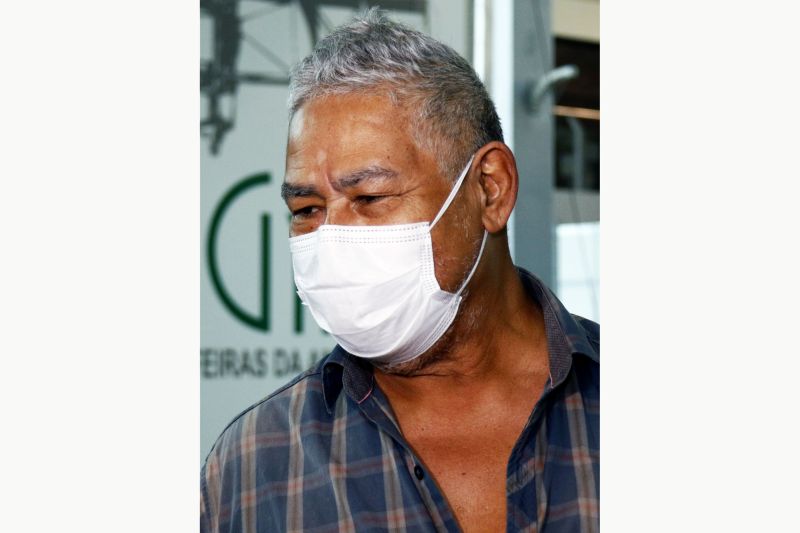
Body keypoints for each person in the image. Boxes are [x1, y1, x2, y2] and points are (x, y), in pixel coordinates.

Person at [201, 8, 598, 533]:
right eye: (306, 210)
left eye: (370, 196)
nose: (331, 238)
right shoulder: (256, 466)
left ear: (490, 188)